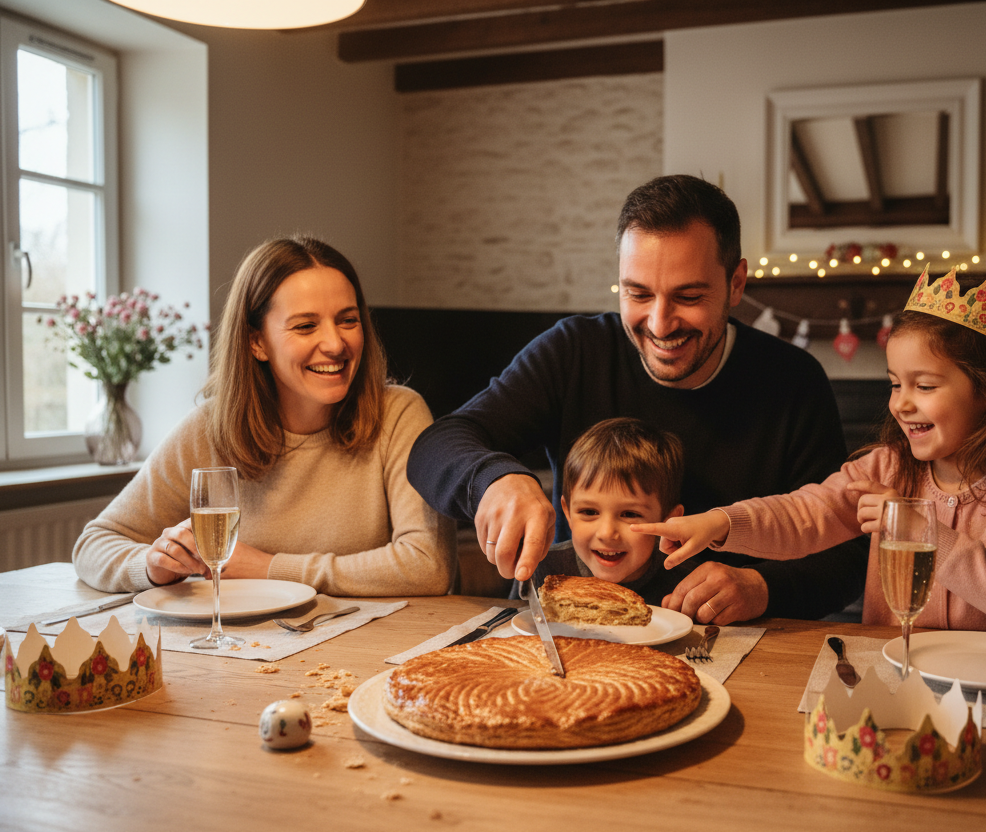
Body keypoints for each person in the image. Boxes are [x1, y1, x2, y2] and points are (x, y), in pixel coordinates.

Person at [407, 174, 868, 624]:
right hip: (571, 632)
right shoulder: (574, 350)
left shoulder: (792, 380)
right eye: (638, 294)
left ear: (736, 283)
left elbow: (847, 555)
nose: (660, 324)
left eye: (688, 296)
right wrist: (494, 479)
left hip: (731, 647)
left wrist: (762, 587)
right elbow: (435, 446)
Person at [633, 269, 986, 636]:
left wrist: (914, 527)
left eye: (923, 386)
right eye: (894, 384)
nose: (900, 403)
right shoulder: (888, 468)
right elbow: (804, 514)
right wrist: (721, 522)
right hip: (905, 672)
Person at [73, 236, 457, 597]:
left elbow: (429, 565)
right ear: (257, 342)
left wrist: (269, 568)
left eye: (348, 320)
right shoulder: (210, 429)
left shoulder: (399, 413)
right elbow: (95, 544)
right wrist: (151, 566)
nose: (336, 344)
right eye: (306, 326)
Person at [511, 417, 693, 604]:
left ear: (669, 522)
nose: (606, 533)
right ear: (567, 513)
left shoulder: (688, 584)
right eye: (589, 512)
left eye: (630, 514)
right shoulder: (541, 568)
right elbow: (511, 623)